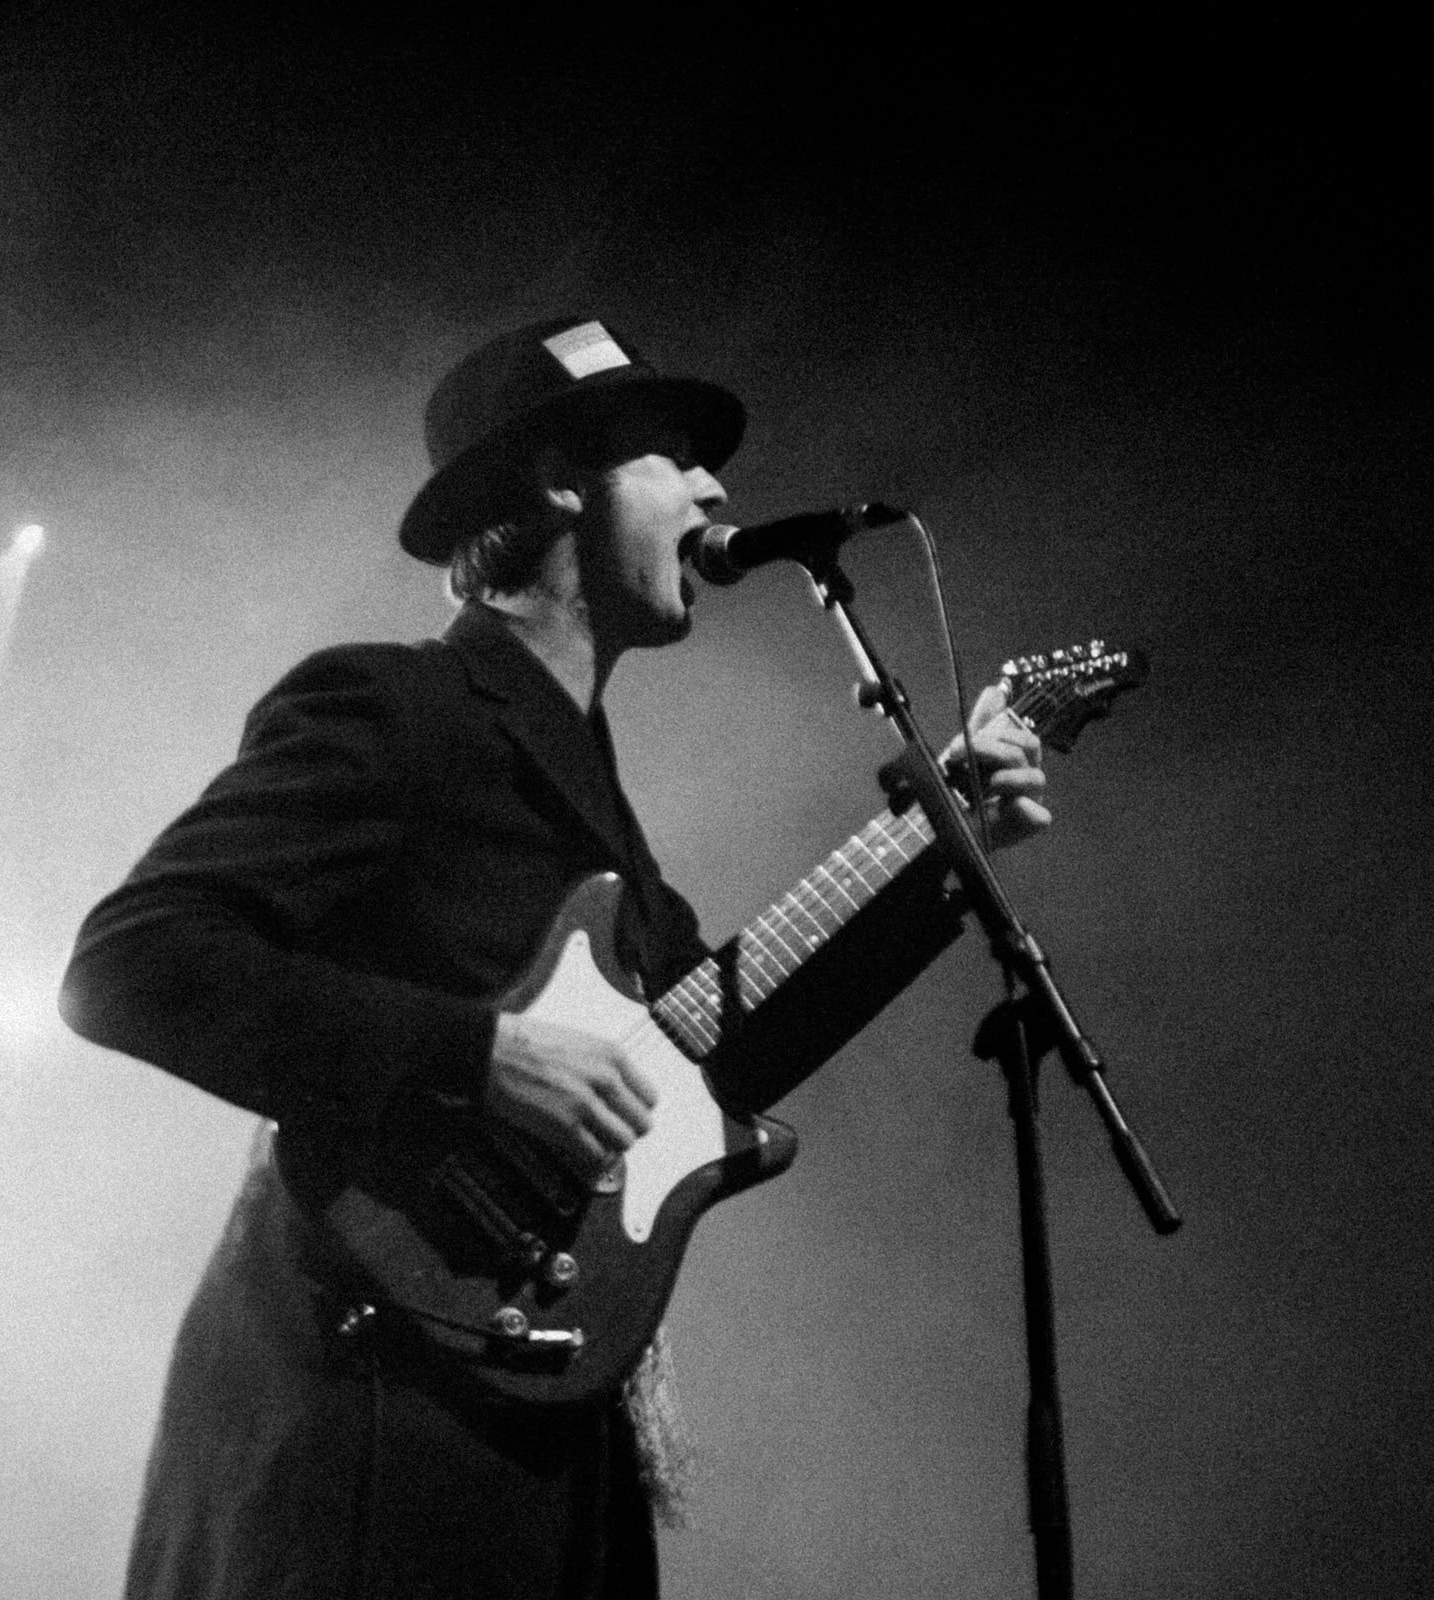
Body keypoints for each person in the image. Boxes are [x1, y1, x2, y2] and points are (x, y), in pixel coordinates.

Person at [59, 315, 1050, 1600]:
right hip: (371, 1399)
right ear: (559, 479)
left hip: (535, 1389)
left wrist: (939, 858)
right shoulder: (395, 704)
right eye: (671, 456)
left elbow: (727, 1056)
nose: (715, 490)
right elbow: (131, 962)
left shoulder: (603, 815)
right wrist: (480, 1055)